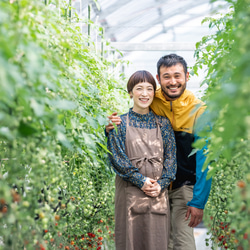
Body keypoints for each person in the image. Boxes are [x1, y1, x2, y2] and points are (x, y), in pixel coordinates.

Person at [106, 54, 212, 250]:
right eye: (166, 77)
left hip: (182, 186)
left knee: (182, 243)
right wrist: (109, 128)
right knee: (151, 241)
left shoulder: (199, 111)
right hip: (146, 188)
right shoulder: (152, 100)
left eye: (177, 76)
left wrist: (198, 201)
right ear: (159, 79)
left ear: (187, 76)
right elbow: (131, 118)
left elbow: (206, 160)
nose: (173, 82)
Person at [107, 70, 177, 250]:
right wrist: (142, 181)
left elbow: (171, 161)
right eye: (139, 89)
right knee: (130, 241)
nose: (144, 94)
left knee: (157, 241)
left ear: (154, 92)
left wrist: (160, 185)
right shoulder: (118, 123)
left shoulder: (163, 124)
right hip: (129, 192)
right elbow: (117, 159)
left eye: (149, 89)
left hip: (157, 194)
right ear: (130, 92)